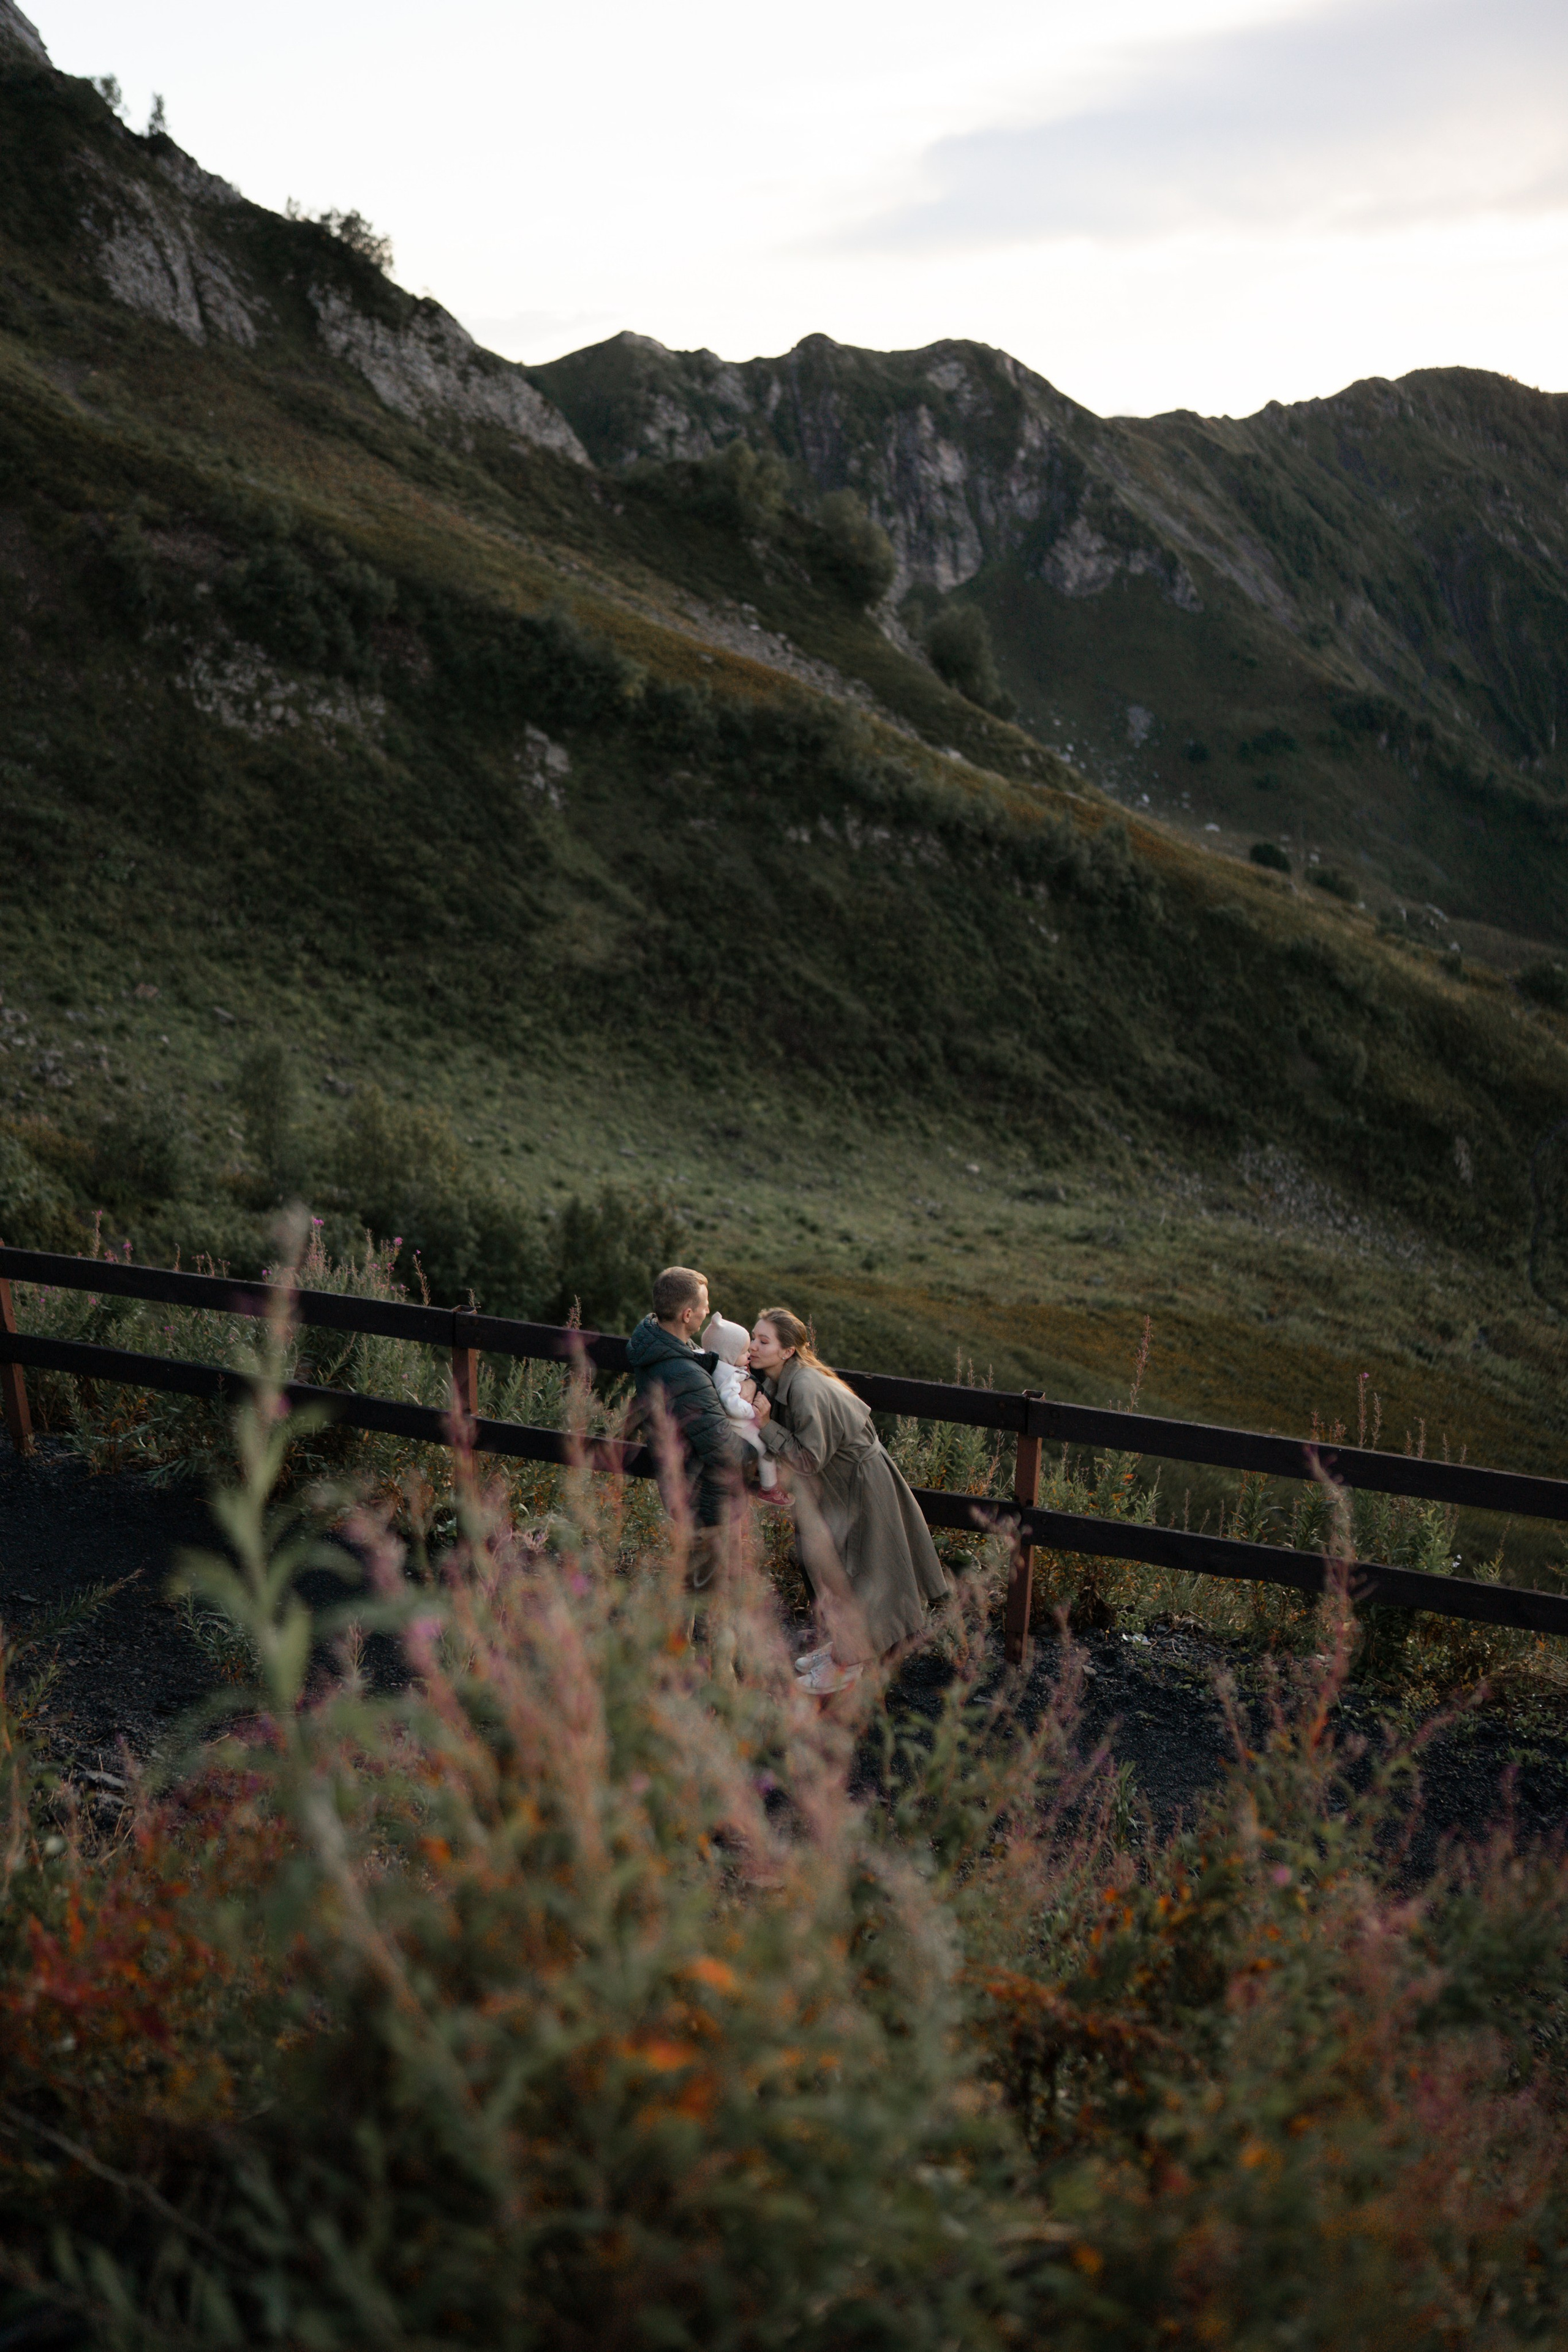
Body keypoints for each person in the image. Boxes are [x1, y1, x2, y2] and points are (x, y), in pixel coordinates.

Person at [747, 1306, 950, 1694]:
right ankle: (845, 1647)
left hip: (860, 1484)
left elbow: (808, 1458)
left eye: (763, 1340)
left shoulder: (805, 1388)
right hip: (841, 1483)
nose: (753, 1347)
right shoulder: (778, 1382)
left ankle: (851, 1662)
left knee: (860, 1571)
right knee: (834, 1570)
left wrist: (767, 1426)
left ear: (788, 1350)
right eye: (753, 1338)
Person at [626, 1267, 746, 1580]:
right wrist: (768, 1447)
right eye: (705, 1305)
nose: (708, 1311)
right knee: (705, 1592)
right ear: (687, 1314)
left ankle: (689, 1629)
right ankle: (695, 1632)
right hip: (705, 1498)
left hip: (682, 1485)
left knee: (695, 1585)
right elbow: (725, 1451)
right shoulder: (683, 1373)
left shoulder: (658, 1347)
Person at [701, 1314, 777, 1489]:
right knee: (764, 1446)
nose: (749, 1354)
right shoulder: (728, 1376)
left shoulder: (713, 1366)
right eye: (744, 1352)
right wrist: (752, 1411)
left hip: (730, 1425)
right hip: (738, 1425)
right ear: (729, 1355)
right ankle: (769, 1487)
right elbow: (732, 1405)